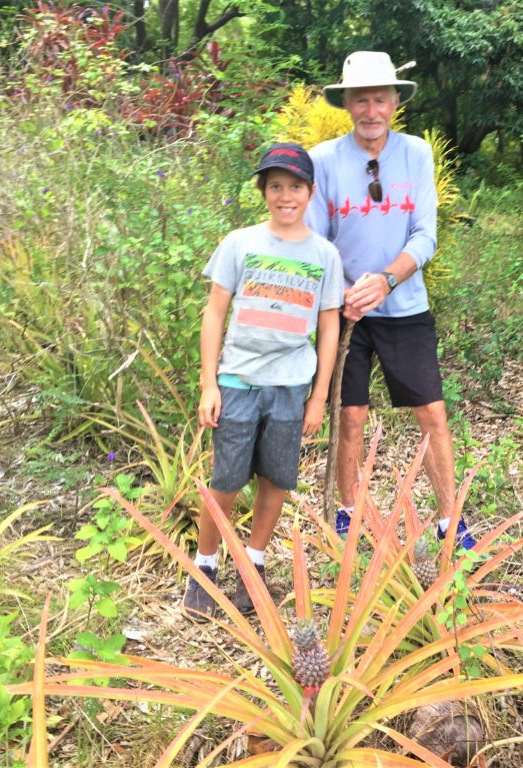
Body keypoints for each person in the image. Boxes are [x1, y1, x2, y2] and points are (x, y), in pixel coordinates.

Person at [307, 51, 475, 549]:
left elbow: (425, 236)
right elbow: (315, 242)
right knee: (350, 415)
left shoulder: (416, 154)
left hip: (404, 305)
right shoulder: (323, 160)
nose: (371, 110)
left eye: (381, 98)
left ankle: (450, 520)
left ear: (396, 101)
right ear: (348, 104)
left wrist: (385, 280)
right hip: (345, 313)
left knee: (431, 413)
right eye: (361, 100)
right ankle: (347, 515)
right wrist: (342, 294)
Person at [182, 142, 342, 621]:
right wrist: (209, 383)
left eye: (295, 186)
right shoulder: (240, 243)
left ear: (311, 192)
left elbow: (329, 326)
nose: (285, 195)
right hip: (239, 381)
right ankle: (205, 567)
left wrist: (318, 399)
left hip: (292, 386)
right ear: (264, 191)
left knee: (276, 479)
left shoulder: (324, 255)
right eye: (276, 186)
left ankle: (253, 564)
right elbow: (214, 312)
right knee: (226, 479)